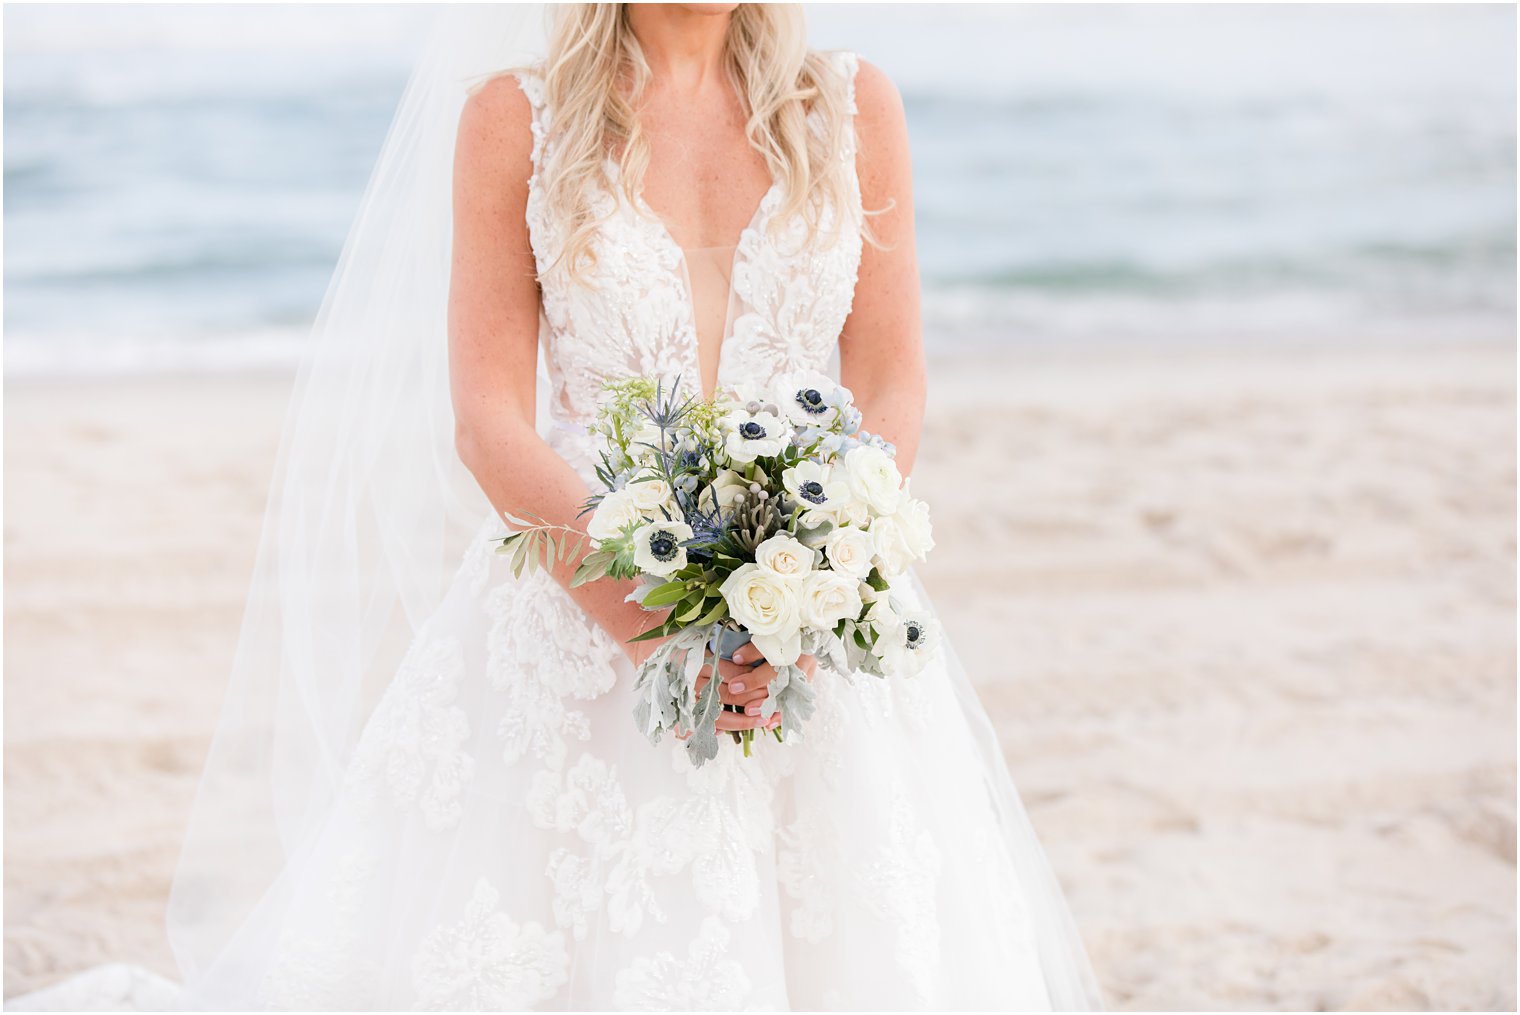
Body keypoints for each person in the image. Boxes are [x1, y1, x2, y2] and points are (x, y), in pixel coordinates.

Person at [168, 4, 1105, 1010]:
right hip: (576, 610)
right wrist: (652, 629)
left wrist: (819, 583)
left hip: (804, 627)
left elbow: (889, 381)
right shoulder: (515, 119)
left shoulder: (847, 106)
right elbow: (488, 426)